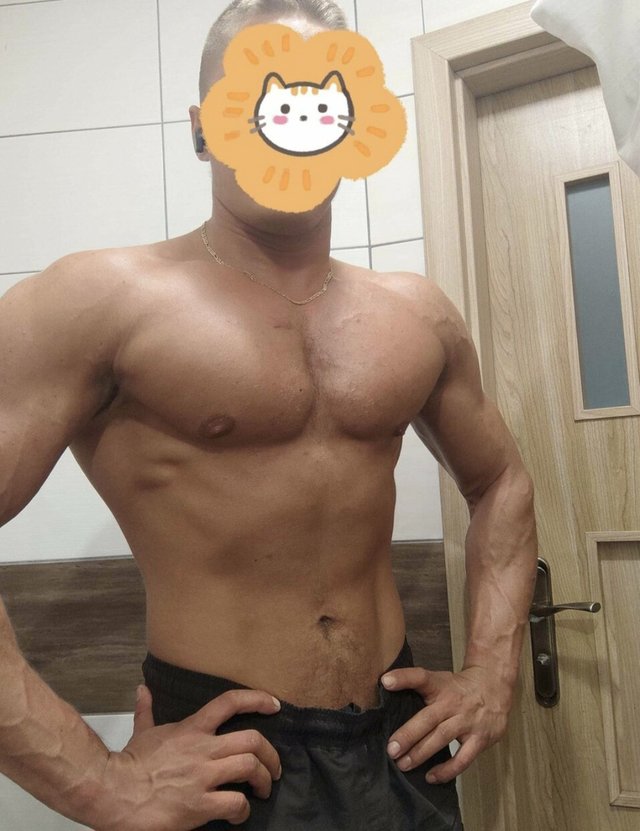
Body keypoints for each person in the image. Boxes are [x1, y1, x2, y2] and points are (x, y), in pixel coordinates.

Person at [0, 0, 538, 829]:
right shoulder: (98, 302)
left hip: (399, 745)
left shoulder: (416, 313)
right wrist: (97, 782)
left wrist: (493, 673)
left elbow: (501, 481)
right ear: (203, 128)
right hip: (225, 754)